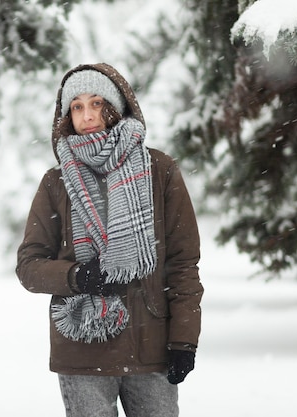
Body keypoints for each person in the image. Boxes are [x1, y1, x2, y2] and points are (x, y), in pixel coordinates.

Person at [16, 63, 203, 417]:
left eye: (97, 103)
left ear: (116, 106)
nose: (88, 115)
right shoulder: (56, 183)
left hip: (151, 346)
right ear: (66, 116)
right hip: (83, 348)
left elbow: (183, 263)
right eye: (77, 106)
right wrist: (76, 276)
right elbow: (29, 266)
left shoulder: (159, 171)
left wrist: (184, 340)